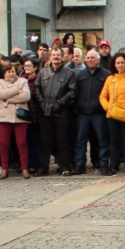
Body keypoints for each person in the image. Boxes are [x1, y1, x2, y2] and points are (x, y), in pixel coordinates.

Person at [35, 47, 75, 176]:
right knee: (44, 141)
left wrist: (60, 103)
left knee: (62, 141)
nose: (56, 57)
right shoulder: (43, 72)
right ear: (50, 57)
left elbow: (72, 91)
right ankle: (43, 167)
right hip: (45, 111)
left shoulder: (69, 73)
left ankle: (64, 166)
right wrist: (41, 102)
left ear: (62, 57)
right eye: (54, 55)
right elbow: (36, 88)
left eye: (58, 55)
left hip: (61, 112)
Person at [72, 50, 110, 175]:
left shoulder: (106, 75)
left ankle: (103, 164)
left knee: (102, 140)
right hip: (83, 113)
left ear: (98, 60)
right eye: (88, 58)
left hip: (99, 113)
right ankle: (79, 164)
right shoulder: (80, 75)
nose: (90, 60)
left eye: (92, 58)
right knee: (80, 140)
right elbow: (75, 93)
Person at [0, 62, 32, 179]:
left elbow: (26, 96)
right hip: (4, 116)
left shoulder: (23, 81)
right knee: (4, 143)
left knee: (21, 143)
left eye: (13, 71)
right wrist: (16, 90)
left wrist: (8, 99)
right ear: (5, 73)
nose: (11, 74)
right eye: (9, 71)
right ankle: (4, 168)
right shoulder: (0, 82)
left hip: (19, 116)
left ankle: (25, 168)